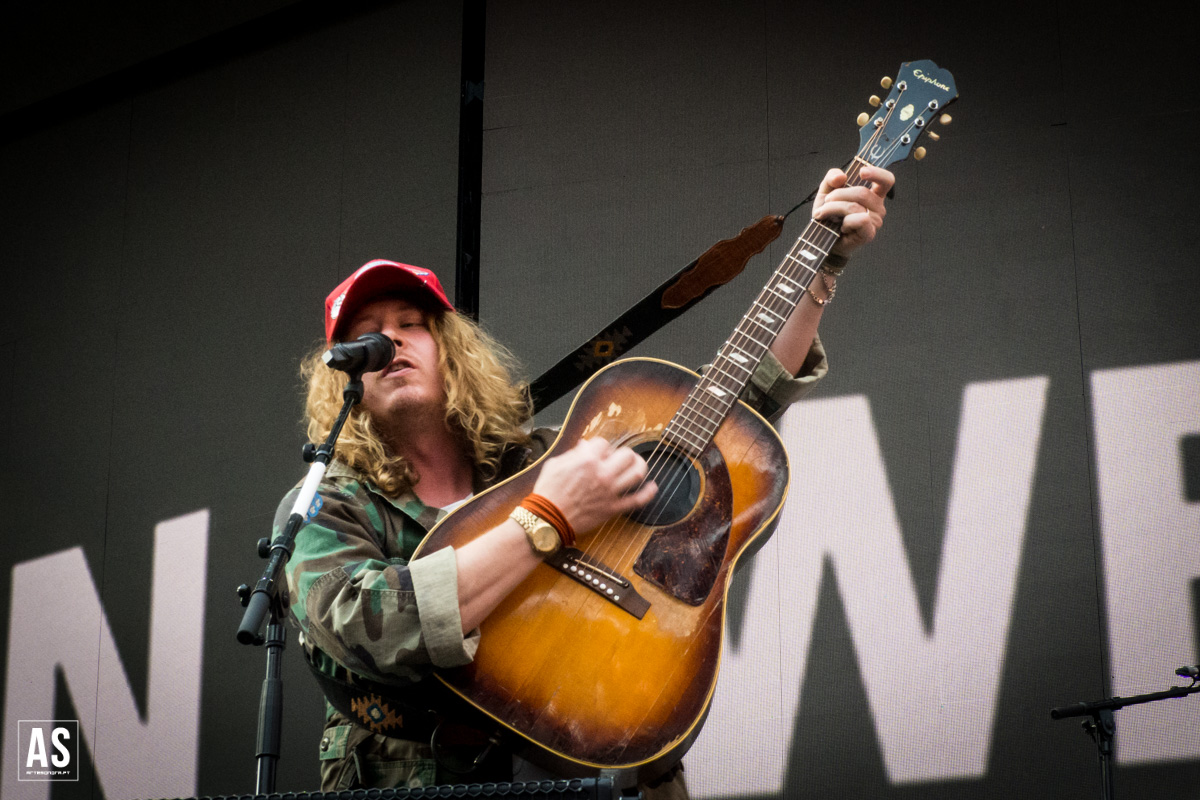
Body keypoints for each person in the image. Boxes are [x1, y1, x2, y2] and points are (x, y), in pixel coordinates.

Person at [277, 166, 894, 795]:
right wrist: (548, 515)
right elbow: (358, 623)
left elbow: (731, 415)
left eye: (411, 324)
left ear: (451, 351)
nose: (390, 341)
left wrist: (822, 266)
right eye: (364, 336)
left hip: (612, 768)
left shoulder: (548, 455)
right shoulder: (326, 502)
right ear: (342, 375)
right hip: (420, 780)